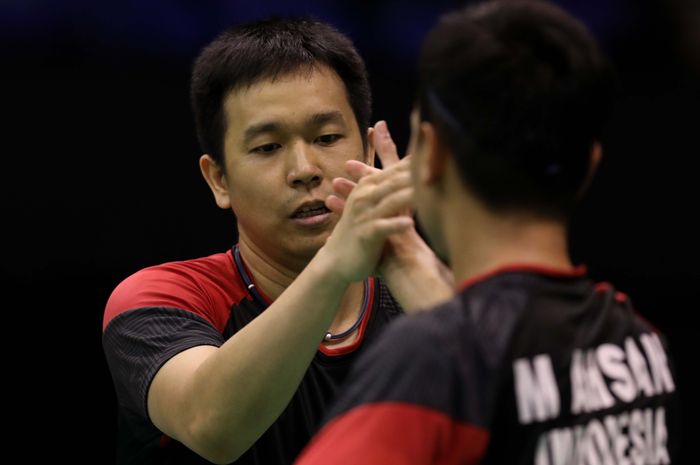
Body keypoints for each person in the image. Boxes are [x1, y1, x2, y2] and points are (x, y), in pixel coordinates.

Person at [295, 1, 680, 464]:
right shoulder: (640, 345)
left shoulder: (433, 355)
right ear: (589, 167)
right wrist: (404, 255)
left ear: (432, 155)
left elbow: (477, 353)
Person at [102, 17, 452, 465]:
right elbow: (212, 427)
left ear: (367, 152)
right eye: (267, 147)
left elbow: (517, 414)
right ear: (219, 179)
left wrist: (405, 263)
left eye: (326, 138)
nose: (304, 169)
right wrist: (336, 263)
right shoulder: (160, 300)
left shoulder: (433, 293)